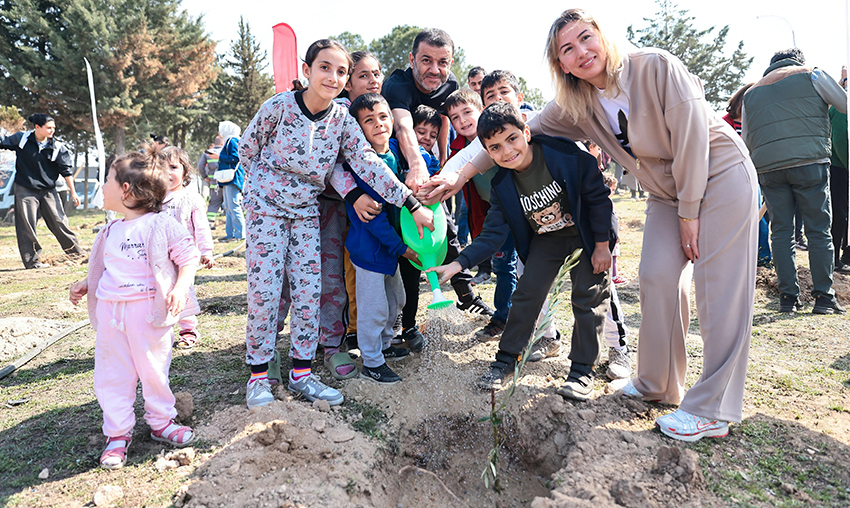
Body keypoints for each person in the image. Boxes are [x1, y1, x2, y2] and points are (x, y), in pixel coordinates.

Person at [427, 8, 758, 442]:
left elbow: (695, 136)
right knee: (657, 275)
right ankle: (657, 383)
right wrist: (457, 175)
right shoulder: (576, 106)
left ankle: (712, 408)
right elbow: (509, 136)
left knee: (719, 290)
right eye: (567, 48)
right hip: (665, 191)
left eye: (586, 38)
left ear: (602, 36)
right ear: (560, 63)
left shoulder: (655, 67)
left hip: (718, 174)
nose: (581, 51)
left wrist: (690, 212)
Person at [237, 39, 433, 409]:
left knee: (311, 291)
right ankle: (259, 376)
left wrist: (409, 201)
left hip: (307, 212)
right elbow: (248, 151)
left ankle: (301, 373)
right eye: (324, 67)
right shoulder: (278, 107)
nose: (332, 76)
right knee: (265, 292)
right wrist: (257, 199)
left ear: (346, 82)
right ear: (307, 70)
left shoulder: (342, 120)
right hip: (267, 212)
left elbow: (366, 164)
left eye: (341, 71)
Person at [428, 102, 613, 400]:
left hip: (586, 234)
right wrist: (459, 264)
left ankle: (581, 372)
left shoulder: (564, 156)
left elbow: (597, 199)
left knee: (587, 296)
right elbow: (492, 235)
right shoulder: (502, 185)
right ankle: (505, 362)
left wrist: (602, 245)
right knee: (526, 294)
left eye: (512, 139)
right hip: (547, 240)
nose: (507, 151)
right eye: (496, 147)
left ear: (526, 132)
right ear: (488, 153)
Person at [69, 145, 199, 469]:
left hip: (148, 315)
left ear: (125, 190)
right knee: (112, 374)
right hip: (112, 314)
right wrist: (87, 284)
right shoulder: (108, 230)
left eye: (108, 180)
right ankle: (117, 435)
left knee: (154, 371)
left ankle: (161, 422)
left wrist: (181, 287)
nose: (103, 186)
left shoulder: (161, 224)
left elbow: (188, 257)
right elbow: (104, 268)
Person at [381, 28, 494, 316]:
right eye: (426, 60)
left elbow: (445, 120)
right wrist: (417, 163)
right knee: (409, 243)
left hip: (433, 176)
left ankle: (466, 296)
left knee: (449, 233)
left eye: (442, 62)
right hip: (398, 178)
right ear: (411, 59)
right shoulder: (397, 84)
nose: (435, 70)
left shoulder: (451, 83)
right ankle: (405, 321)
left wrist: (445, 163)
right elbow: (404, 126)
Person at [742, 48, 847, 314]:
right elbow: (844, 105)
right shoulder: (811, 74)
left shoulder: (751, 93)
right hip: (809, 163)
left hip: (769, 168)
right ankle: (824, 297)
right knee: (818, 230)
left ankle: (788, 298)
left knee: (781, 232)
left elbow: (745, 140)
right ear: (797, 61)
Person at [347, 93, 422, 383]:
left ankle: (386, 343)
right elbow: (374, 219)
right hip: (371, 251)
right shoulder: (364, 164)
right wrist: (402, 248)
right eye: (368, 120)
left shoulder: (391, 153)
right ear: (358, 129)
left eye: (382, 117)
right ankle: (371, 361)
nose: (378, 124)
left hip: (389, 250)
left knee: (396, 300)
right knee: (374, 307)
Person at [0, 113, 85, 269]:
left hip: (48, 190)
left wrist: (73, 192)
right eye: (48, 128)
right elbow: (2, 143)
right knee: (27, 225)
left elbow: (66, 172)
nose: (52, 131)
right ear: (37, 127)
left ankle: (77, 254)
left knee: (59, 221)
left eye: (53, 128)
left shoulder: (57, 146)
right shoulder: (22, 139)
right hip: (25, 188)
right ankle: (32, 262)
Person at [161, 146, 215, 349]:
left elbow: (202, 228)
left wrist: (206, 251)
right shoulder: (153, 201)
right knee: (160, 292)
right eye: (161, 167)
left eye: (173, 167)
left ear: (184, 172)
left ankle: (188, 328)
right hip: (160, 257)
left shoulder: (191, 199)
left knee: (183, 291)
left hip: (185, 259)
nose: (167, 172)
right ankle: (163, 330)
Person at [216, 121, 245, 242]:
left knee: (233, 206)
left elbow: (237, 157)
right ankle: (230, 234)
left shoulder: (232, 141)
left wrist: (219, 156)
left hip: (233, 178)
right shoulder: (230, 140)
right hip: (229, 178)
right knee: (228, 207)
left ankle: (239, 234)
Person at [196, 136, 225, 226]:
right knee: (230, 204)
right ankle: (231, 225)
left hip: (214, 183)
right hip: (227, 182)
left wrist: (205, 176)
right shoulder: (226, 152)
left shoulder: (207, 153)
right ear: (222, 143)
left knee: (214, 202)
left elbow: (200, 166)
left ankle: (210, 222)